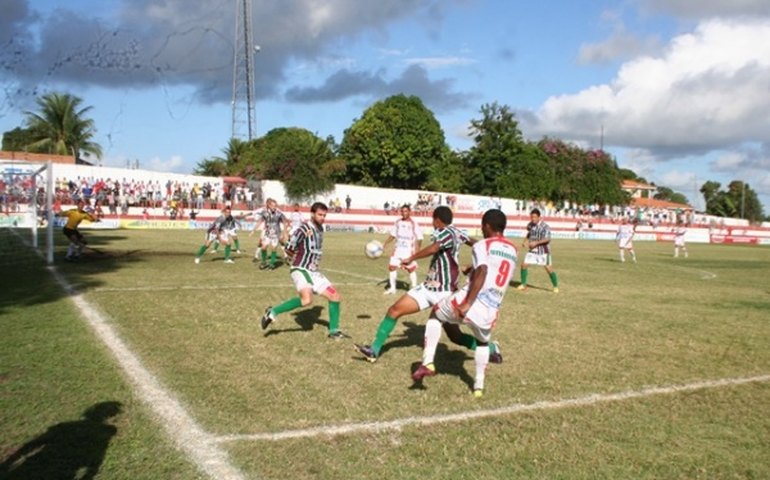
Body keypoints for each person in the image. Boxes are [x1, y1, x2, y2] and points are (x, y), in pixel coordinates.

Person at [412, 209, 517, 397]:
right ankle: (478, 385)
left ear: (486, 225)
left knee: (436, 314)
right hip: (492, 309)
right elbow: (492, 272)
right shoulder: (512, 250)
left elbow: (484, 270)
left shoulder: (482, 245)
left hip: (471, 301)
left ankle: (428, 361)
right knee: (483, 343)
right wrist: (471, 269)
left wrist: (467, 303)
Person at [354, 206, 476, 362]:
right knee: (394, 310)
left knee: (455, 336)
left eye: (433, 220)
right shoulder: (458, 232)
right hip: (428, 287)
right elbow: (477, 245)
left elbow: (434, 248)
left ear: (437, 220)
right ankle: (374, 350)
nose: (433, 223)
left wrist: (412, 257)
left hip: (444, 292)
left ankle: (490, 349)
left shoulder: (446, 232)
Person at [260, 202, 347, 339]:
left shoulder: (320, 229)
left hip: (314, 272)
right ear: (312, 214)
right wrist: (291, 257)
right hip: (300, 268)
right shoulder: (303, 229)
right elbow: (289, 247)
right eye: (320, 214)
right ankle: (272, 312)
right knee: (307, 300)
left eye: (324, 215)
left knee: (335, 296)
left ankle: (334, 331)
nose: (322, 217)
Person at [382, 204, 423, 295]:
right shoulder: (398, 222)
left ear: (409, 212)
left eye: (405, 211)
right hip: (397, 250)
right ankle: (393, 289)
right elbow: (393, 235)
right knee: (392, 267)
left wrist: (418, 250)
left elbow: (420, 237)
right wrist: (385, 243)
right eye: (402, 211)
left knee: (410, 269)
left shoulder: (413, 223)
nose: (404, 213)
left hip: (408, 251)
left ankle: (414, 288)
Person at [516, 208, 559, 292]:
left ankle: (555, 286)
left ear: (539, 217)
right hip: (533, 250)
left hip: (543, 250)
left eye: (535, 217)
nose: (533, 219)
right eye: (531, 217)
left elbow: (548, 239)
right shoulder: (530, 225)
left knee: (548, 268)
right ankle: (523, 284)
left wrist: (536, 243)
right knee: (523, 265)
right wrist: (525, 241)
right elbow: (529, 233)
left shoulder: (545, 226)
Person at [249, 198, 289, 270]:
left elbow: (285, 222)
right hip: (267, 234)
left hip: (276, 234)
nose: (274, 207)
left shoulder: (279, 214)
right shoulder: (265, 213)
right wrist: (253, 230)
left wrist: (285, 233)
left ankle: (272, 264)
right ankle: (264, 262)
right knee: (263, 248)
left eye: (275, 206)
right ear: (269, 205)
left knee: (273, 249)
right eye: (273, 205)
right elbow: (259, 221)